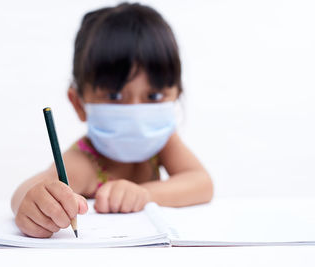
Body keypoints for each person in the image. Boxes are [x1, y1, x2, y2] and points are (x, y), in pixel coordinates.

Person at [11, 2, 213, 238]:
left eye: (154, 96)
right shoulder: (84, 162)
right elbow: (23, 193)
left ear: (176, 94)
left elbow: (202, 183)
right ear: (79, 103)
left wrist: (144, 194)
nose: (136, 112)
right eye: (115, 96)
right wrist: (33, 203)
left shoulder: (163, 142)